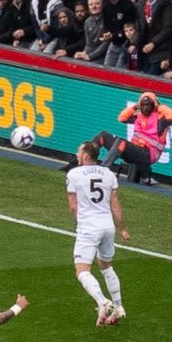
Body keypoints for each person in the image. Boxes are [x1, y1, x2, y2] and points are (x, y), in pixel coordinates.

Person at [66, 140, 130, 326]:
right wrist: (123, 229)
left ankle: (103, 302)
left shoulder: (74, 174)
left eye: (79, 152)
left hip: (88, 227)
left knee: (82, 271)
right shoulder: (109, 174)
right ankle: (118, 307)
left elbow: (73, 205)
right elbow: (115, 205)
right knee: (106, 265)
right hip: (107, 226)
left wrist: (79, 223)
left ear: (86, 155)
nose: (77, 155)